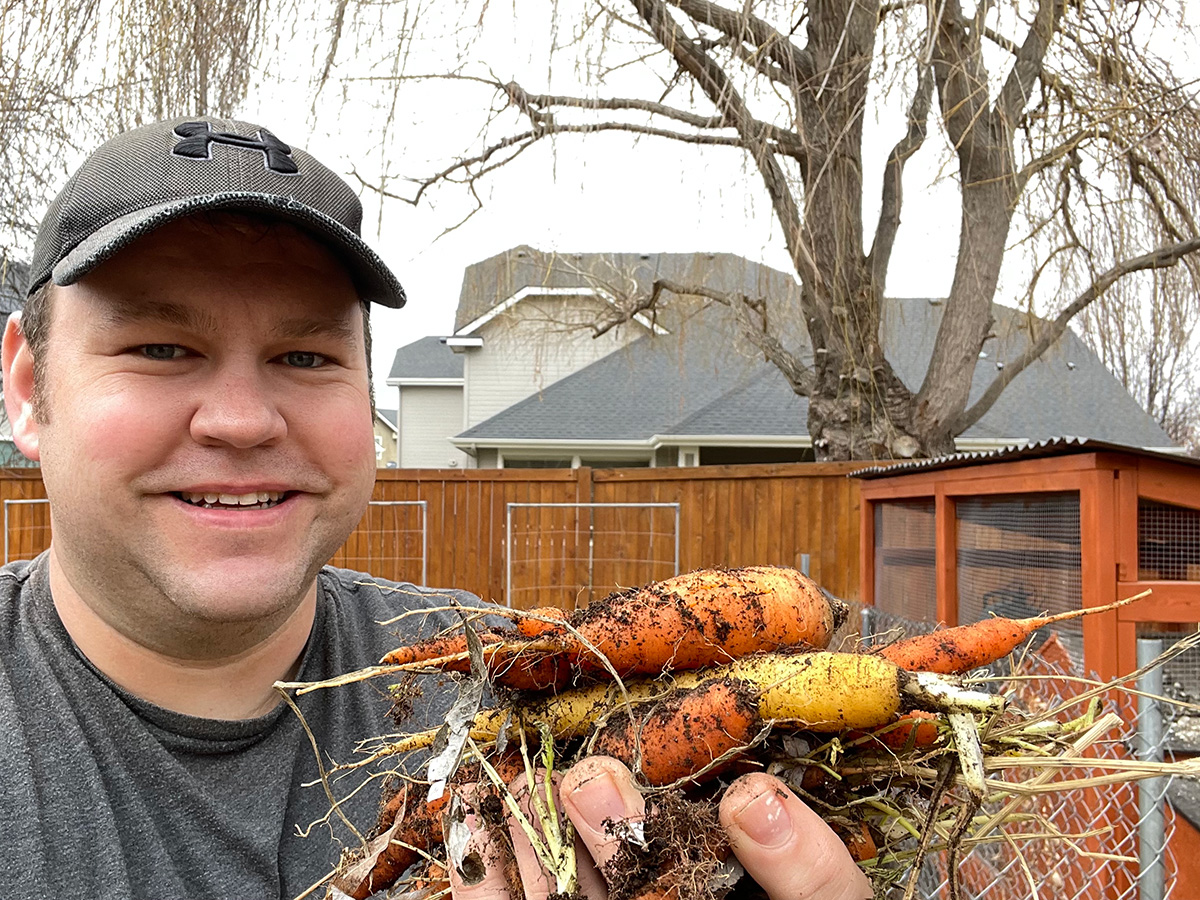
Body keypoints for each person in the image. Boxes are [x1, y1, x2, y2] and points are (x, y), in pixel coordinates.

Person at [0, 116, 872, 900]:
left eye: (304, 357)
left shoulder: (529, 687)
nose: (241, 420)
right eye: (161, 347)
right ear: (30, 390)